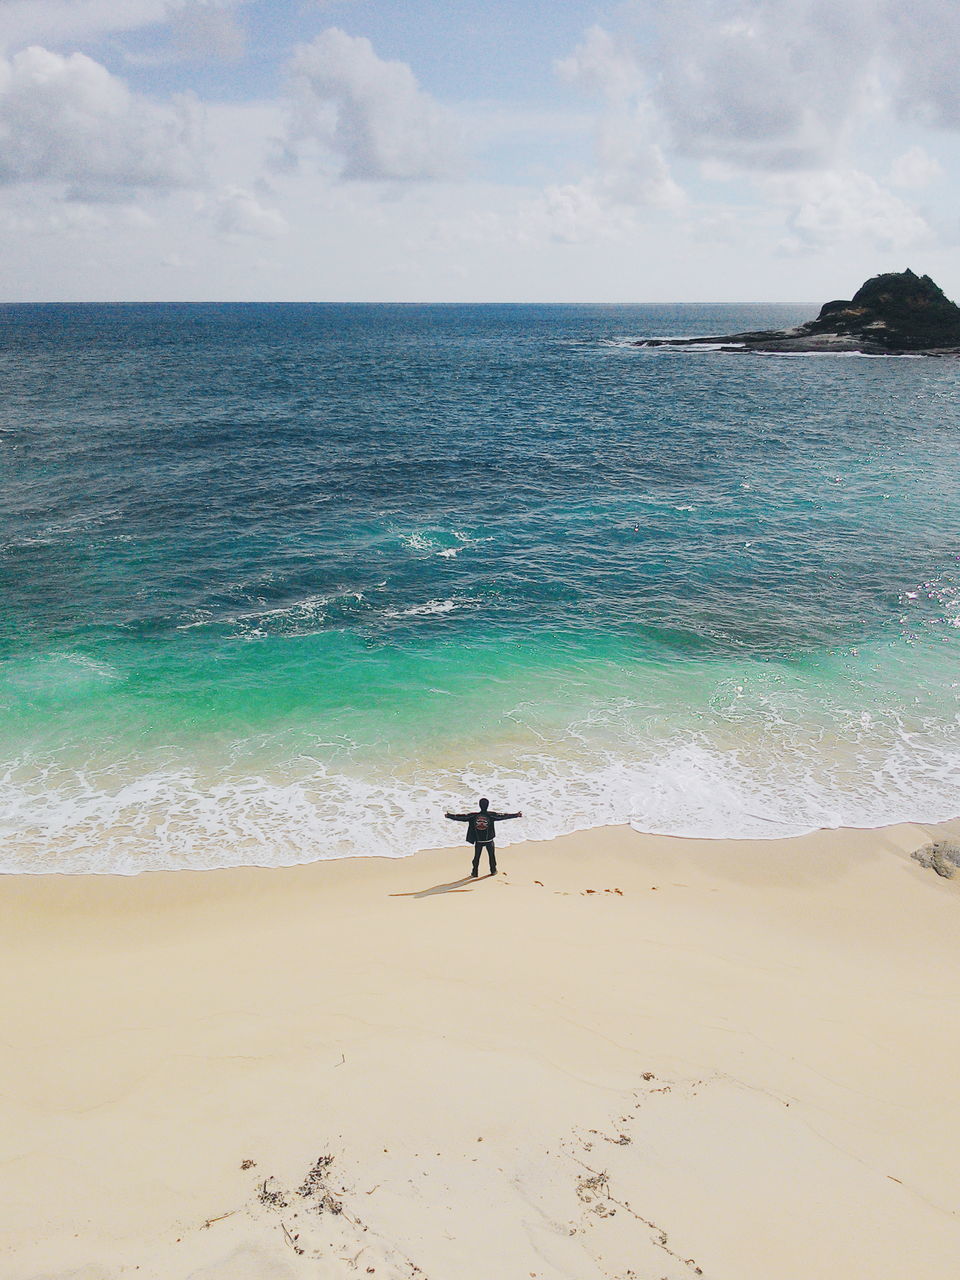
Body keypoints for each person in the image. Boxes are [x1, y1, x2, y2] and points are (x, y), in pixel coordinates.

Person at [444, 797, 522, 877]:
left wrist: (449, 815)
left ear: (479, 805)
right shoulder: (491, 815)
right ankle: (493, 870)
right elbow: (503, 816)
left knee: (476, 857)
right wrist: (516, 815)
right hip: (489, 840)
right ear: (488, 805)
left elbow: (461, 817)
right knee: (491, 856)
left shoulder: (474, 816)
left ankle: (474, 872)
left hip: (479, 841)